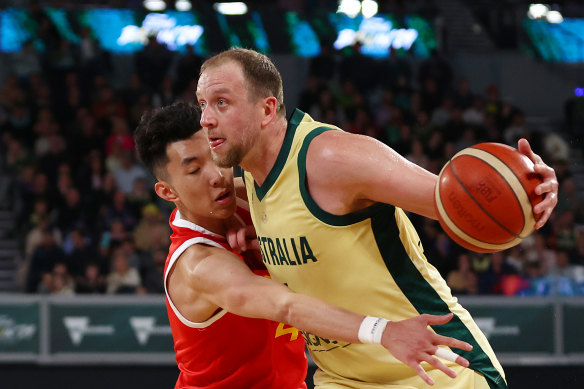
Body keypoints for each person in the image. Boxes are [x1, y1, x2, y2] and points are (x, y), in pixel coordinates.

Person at [196, 48, 559, 388]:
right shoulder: (249, 183)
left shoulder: (334, 160)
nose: (205, 119)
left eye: (221, 103)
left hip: (435, 369)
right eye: (202, 105)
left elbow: (459, 204)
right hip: (341, 378)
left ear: (266, 109)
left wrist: (532, 192)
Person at [134, 102, 473, 388]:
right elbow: (286, 306)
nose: (216, 175)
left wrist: (511, 191)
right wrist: (382, 330)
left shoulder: (253, 195)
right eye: (194, 170)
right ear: (168, 192)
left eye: (214, 156)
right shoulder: (198, 264)